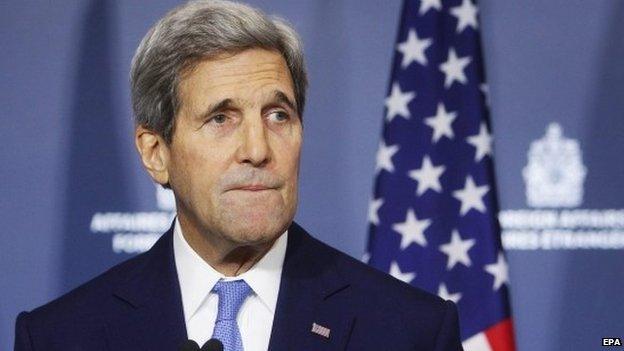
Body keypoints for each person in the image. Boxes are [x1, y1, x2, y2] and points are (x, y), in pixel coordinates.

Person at [14, 1, 463, 350]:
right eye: (220, 119)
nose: (257, 149)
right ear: (156, 153)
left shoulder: (410, 332)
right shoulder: (62, 337)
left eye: (277, 115)